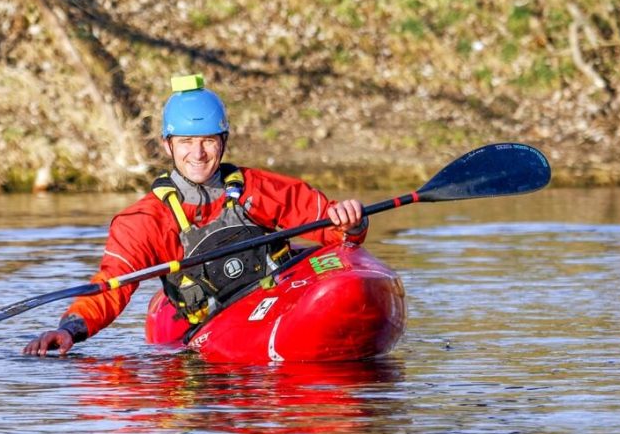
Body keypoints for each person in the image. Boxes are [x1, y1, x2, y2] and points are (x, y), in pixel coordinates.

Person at [23, 74, 367, 357]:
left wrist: (350, 222)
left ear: (224, 141)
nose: (198, 154)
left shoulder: (257, 188)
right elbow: (112, 285)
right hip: (216, 326)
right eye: (186, 141)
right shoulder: (145, 220)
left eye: (208, 141)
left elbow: (332, 227)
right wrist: (68, 329)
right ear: (167, 145)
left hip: (277, 297)